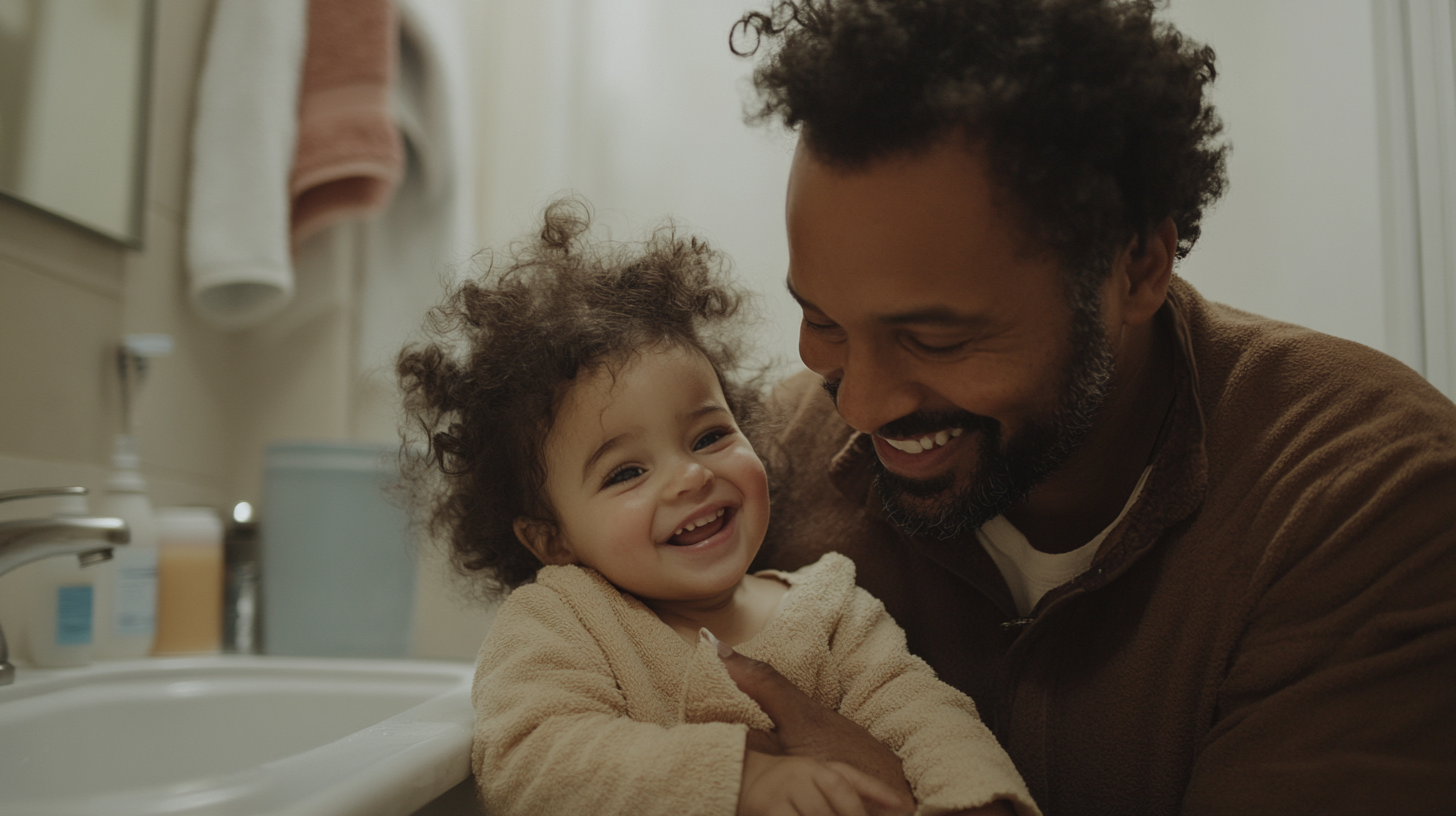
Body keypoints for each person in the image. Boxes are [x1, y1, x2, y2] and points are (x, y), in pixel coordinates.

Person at [719, 1, 1456, 815]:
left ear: (1137, 267)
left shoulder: (1372, 502)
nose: (857, 403)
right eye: (822, 321)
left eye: (934, 339)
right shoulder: (757, 471)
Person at [395, 199, 1040, 816]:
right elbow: (529, 760)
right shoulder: (564, 621)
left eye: (709, 437)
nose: (688, 478)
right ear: (551, 540)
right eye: (626, 472)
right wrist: (738, 778)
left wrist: (976, 799)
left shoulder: (831, 612)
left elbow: (929, 719)